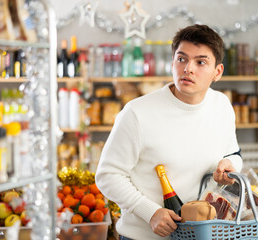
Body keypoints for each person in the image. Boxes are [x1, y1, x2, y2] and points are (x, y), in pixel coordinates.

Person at [95, 24, 243, 240]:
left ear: (217, 72)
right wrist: (150, 212)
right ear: (172, 61)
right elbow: (108, 175)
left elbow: (233, 154)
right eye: (182, 59)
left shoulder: (221, 105)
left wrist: (231, 166)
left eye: (200, 62)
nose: (188, 68)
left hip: (204, 235)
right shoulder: (137, 113)